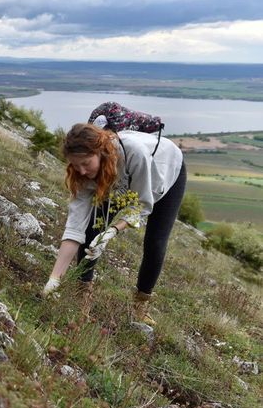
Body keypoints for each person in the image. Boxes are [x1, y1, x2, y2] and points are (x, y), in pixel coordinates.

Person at [41, 123, 186, 324]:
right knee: (92, 229)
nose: (81, 171)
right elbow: (75, 226)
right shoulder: (82, 174)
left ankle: (140, 305)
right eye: (75, 165)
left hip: (164, 172)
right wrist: (54, 277)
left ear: (100, 152)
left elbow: (142, 204)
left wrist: (112, 231)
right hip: (116, 181)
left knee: (155, 241)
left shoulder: (135, 154)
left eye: (86, 163)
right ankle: (82, 294)